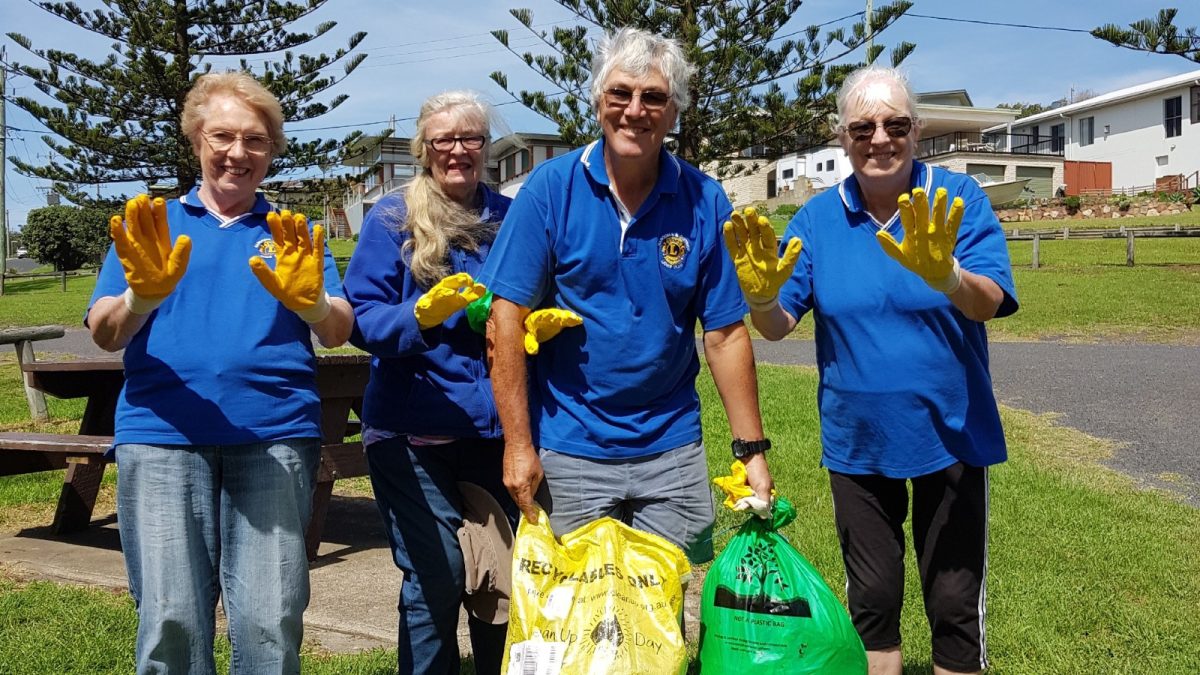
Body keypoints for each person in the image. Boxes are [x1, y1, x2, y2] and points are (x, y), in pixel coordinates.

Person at [727, 65, 1018, 675]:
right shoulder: (817, 220)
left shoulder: (957, 200)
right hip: (858, 444)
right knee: (874, 605)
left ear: (917, 130)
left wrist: (947, 275)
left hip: (952, 436)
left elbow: (989, 300)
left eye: (895, 124)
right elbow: (780, 324)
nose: (880, 138)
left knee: (954, 607)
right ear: (842, 136)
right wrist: (758, 299)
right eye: (863, 126)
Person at [86, 72, 354, 673]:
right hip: (160, 439)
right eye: (223, 136)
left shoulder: (294, 233)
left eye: (256, 140)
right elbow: (106, 332)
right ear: (196, 140)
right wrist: (139, 298)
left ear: (272, 149)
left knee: (270, 617)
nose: (238, 153)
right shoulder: (147, 226)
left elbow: (336, 330)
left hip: (274, 437)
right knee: (170, 617)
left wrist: (310, 301)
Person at [479, 27, 775, 566]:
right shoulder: (550, 189)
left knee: (662, 621)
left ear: (675, 111)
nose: (635, 110)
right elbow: (504, 319)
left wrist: (752, 453)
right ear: (598, 101)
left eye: (654, 97)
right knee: (573, 623)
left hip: (673, 448)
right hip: (569, 447)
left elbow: (726, 333)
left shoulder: (703, 198)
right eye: (621, 93)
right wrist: (518, 446)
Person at [343, 91, 578, 675]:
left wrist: (538, 329)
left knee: (500, 579)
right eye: (443, 140)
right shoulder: (391, 218)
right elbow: (361, 319)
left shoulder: (510, 216)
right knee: (437, 574)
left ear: (486, 149)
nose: (457, 150)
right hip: (410, 433)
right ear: (424, 149)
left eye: (470, 138)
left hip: (494, 434)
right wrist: (417, 316)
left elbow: (535, 299)